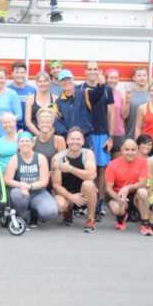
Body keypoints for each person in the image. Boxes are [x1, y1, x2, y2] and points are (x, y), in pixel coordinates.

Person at [50, 127, 99, 233]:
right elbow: (56, 185)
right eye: (72, 139)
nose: (75, 142)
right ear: (67, 140)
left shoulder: (88, 154)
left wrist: (70, 169)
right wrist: (71, 197)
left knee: (89, 184)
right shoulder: (57, 158)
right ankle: (67, 212)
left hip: (84, 192)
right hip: (67, 194)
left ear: (83, 141)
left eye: (78, 139)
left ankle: (90, 219)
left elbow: (91, 176)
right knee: (59, 204)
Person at [5, 131, 57, 225]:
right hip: (20, 191)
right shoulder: (14, 159)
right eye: (22, 141)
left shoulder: (41, 158)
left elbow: (44, 181)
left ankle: (34, 213)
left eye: (27, 141)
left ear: (32, 144)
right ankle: (22, 217)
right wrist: (21, 185)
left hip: (38, 192)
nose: (25, 143)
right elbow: (7, 180)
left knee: (50, 212)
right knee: (17, 195)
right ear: (18, 144)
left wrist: (28, 186)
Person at [82, 61, 114, 214]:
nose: (93, 72)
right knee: (87, 170)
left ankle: (100, 202)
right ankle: (87, 202)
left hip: (102, 134)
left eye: (95, 69)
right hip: (86, 135)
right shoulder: (80, 88)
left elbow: (111, 114)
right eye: (90, 69)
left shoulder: (107, 89)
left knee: (101, 169)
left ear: (99, 71)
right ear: (85, 71)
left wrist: (110, 136)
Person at [104, 138, 152, 235]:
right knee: (116, 209)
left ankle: (145, 223)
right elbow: (108, 188)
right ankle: (121, 217)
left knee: (143, 192)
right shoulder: (112, 164)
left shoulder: (143, 162)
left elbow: (143, 183)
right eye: (127, 149)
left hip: (135, 196)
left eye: (133, 150)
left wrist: (127, 188)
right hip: (118, 195)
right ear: (121, 150)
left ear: (137, 150)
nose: (130, 152)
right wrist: (118, 198)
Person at [52, 69, 104, 147]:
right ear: (59, 82)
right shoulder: (58, 102)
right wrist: (70, 135)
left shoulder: (84, 93)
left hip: (86, 138)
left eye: (68, 78)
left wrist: (100, 86)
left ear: (73, 79)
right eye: (63, 80)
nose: (66, 82)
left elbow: (97, 95)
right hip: (69, 141)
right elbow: (57, 123)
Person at [121, 65, 150, 140]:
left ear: (147, 77)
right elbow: (124, 115)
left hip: (149, 135)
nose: (142, 78)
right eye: (139, 75)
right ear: (134, 78)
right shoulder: (128, 94)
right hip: (131, 135)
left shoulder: (152, 94)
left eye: (144, 75)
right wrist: (127, 100)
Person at [32, 109, 65, 174]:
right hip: (36, 175)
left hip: (54, 175)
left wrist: (49, 174)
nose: (45, 125)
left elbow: (61, 162)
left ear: (52, 125)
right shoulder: (33, 140)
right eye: (42, 122)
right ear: (38, 125)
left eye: (48, 123)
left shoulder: (59, 140)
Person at [24, 71, 56, 136]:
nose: (42, 83)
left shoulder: (55, 99)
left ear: (49, 82)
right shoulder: (30, 99)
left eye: (45, 81)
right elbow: (28, 122)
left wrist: (48, 135)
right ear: (36, 83)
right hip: (34, 135)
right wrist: (39, 135)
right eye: (40, 81)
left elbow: (57, 121)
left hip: (51, 135)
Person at [9, 61, 36, 131]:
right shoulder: (7, 90)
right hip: (12, 127)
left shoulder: (33, 91)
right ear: (12, 73)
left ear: (25, 74)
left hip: (29, 128)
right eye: (17, 72)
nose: (19, 75)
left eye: (22, 73)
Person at [105, 69, 127, 159]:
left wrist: (128, 100)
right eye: (111, 78)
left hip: (118, 132)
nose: (113, 80)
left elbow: (124, 115)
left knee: (117, 162)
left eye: (115, 78)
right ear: (106, 79)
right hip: (103, 132)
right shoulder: (101, 93)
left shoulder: (121, 95)